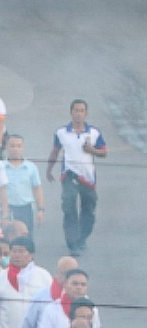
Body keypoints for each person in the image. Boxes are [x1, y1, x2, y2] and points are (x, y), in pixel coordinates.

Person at [46, 99, 106, 257]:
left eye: (81, 111)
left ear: (86, 114)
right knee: (69, 207)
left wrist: (92, 150)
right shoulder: (61, 132)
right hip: (69, 175)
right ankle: (72, 243)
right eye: (76, 110)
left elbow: (104, 152)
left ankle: (82, 238)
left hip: (88, 178)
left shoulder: (94, 132)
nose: (78, 113)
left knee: (88, 209)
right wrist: (49, 170)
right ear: (71, 112)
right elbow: (55, 152)